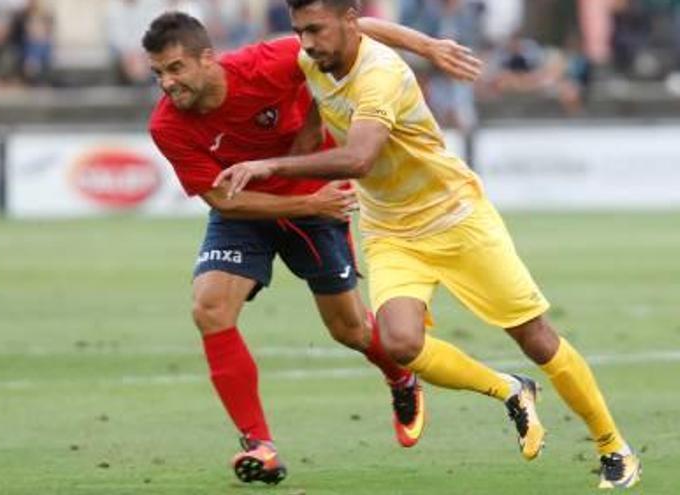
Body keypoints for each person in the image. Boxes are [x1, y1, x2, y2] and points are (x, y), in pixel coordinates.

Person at [214, 0, 640, 489]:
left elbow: (358, 159)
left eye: (314, 30)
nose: (306, 43)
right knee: (400, 343)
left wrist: (268, 168)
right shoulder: (319, 54)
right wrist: (428, 44)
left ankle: (615, 448)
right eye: (299, 31)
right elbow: (364, 26)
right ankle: (510, 390)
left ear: (346, 21)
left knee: (535, 337)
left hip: (455, 218)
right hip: (391, 230)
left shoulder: (381, 77)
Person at [144, 10, 481, 485]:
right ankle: (259, 445)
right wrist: (306, 202)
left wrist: (428, 47)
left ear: (207, 59)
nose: (167, 83)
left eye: (176, 69)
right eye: (158, 73)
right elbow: (223, 198)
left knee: (350, 330)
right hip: (248, 210)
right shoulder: (167, 126)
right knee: (210, 309)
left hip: (317, 198)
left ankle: (401, 378)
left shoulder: (266, 63)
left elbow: (354, 28)